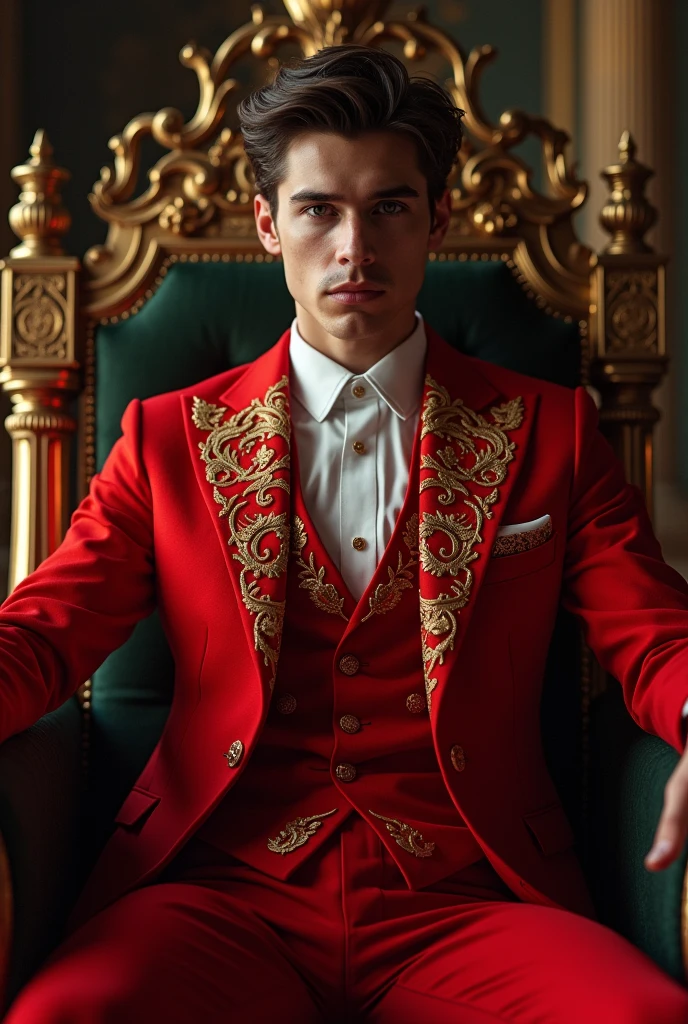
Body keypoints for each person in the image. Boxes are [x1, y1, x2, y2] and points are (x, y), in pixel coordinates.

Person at [4, 43, 688, 1024]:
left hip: (466, 901)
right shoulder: (168, 441)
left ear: (437, 221)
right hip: (216, 897)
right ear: (267, 224)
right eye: (319, 208)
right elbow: (44, 632)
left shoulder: (553, 431)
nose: (354, 249)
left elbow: (651, 627)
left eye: (389, 208)